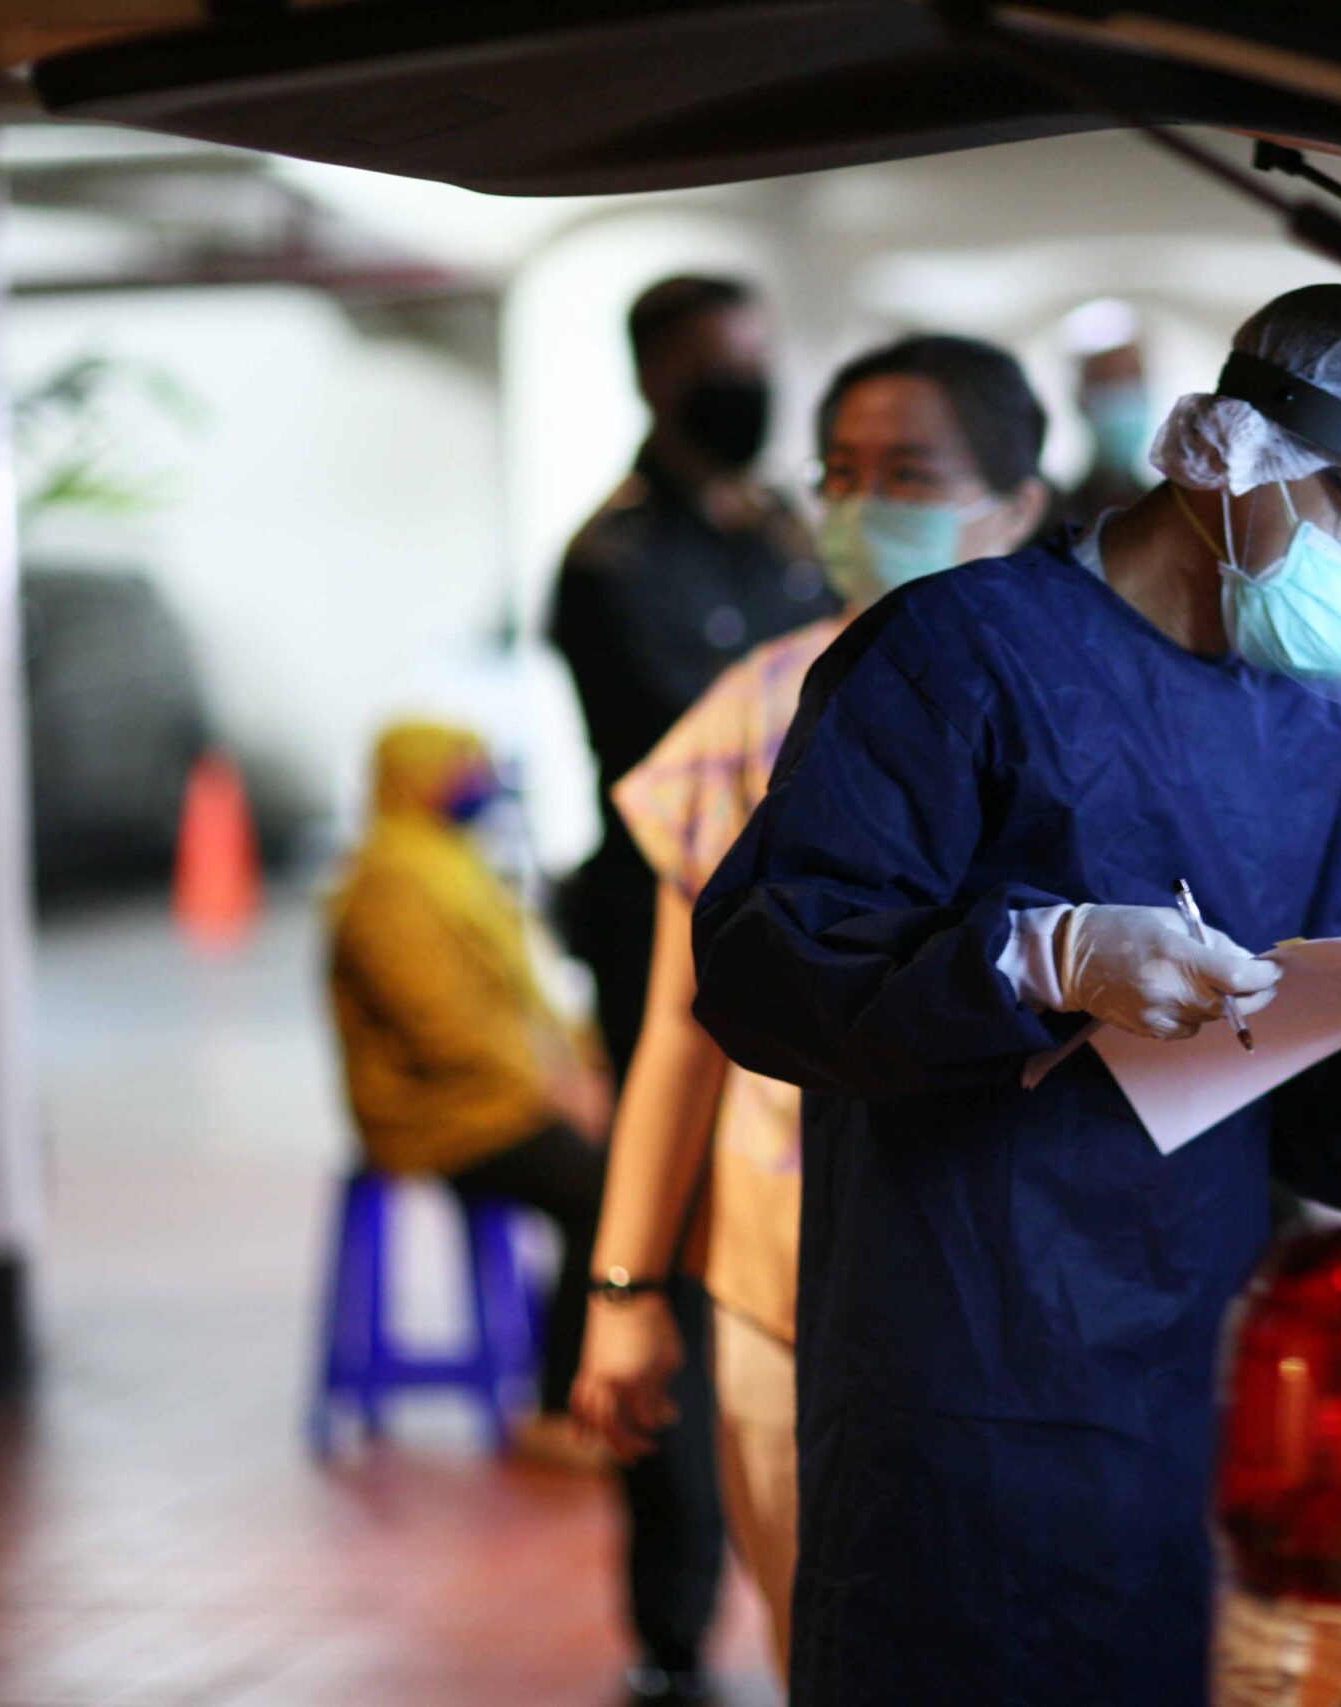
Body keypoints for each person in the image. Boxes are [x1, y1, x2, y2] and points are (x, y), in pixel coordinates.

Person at [688, 284, 1341, 1705]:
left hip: (1170, 1378)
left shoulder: (1326, 750)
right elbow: (770, 967)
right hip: (952, 1359)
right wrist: (1042, 955)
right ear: (1225, 452)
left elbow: (1311, 1123)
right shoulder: (957, 653)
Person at [567, 335, 1051, 1684]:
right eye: (841, 471)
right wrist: (625, 1284)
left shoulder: (1090, 707)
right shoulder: (758, 705)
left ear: (1019, 503)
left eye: (910, 472)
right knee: (824, 1644)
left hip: (1020, 1283)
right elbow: (678, 1024)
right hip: (786, 1277)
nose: (860, 505)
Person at [552, 273, 831, 1705]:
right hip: (663, 934)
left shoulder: (787, 527)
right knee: (658, 1243)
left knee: (775, 1264)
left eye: (759, 358)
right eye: (722, 363)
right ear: (656, 374)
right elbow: (707, 754)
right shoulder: (611, 559)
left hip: (804, 949)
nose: (745, 386)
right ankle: (673, 1630)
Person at [324, 720, 612, 1452]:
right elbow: (448, 1032)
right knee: (606, 1196)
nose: (474, 783)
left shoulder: (452, 864)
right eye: (459, 768)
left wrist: (586, 1069)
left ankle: (606, 1383)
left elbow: (531, 995)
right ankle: (557, 1407)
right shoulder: (386, 884)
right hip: (444, 1115)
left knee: (644, 1172)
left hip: (502, 1096)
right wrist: (556, 1089)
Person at [1067, 332, 1153, 525]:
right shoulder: (1054, 518)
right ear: (1082, 401)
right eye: (1110, 389)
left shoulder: (1169, 510)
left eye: (1132, 386)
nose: (1124, 402)